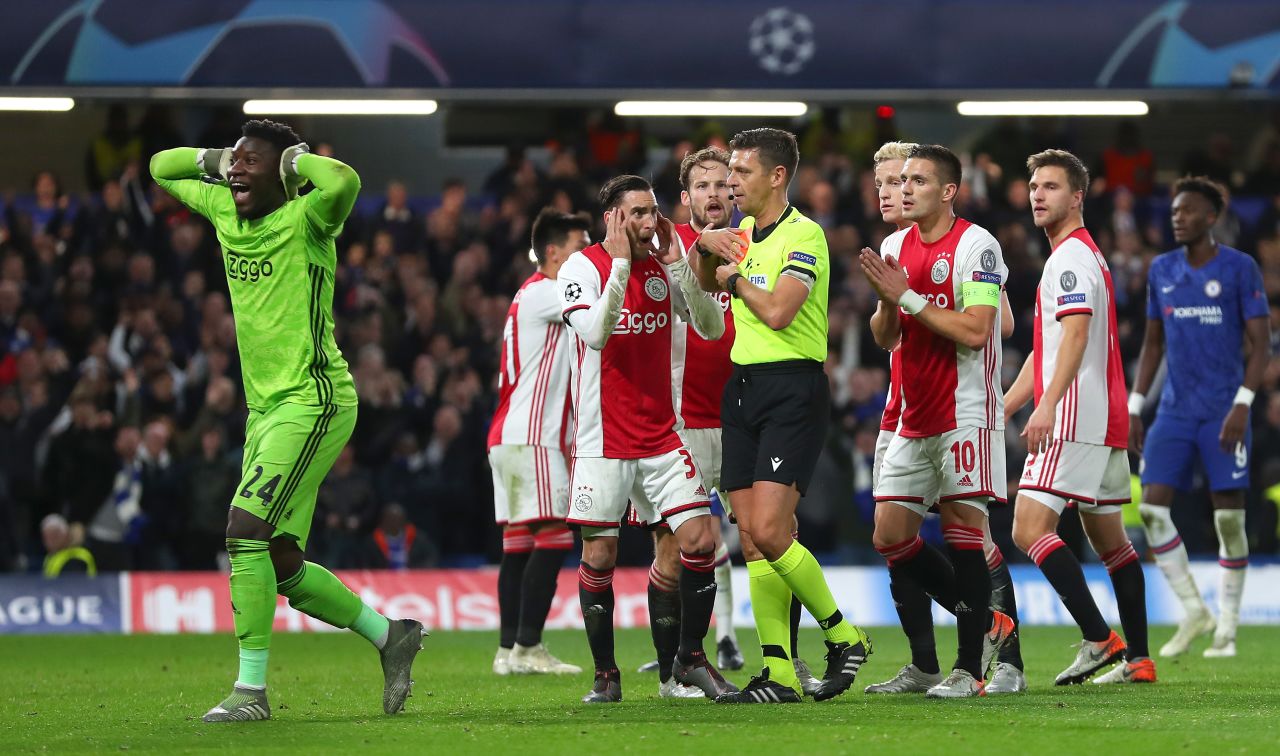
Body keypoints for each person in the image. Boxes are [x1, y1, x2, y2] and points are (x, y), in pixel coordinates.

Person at [151, 119, 425, 723]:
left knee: (243, 530)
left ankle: (250, 694)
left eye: (255, 162)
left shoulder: (308, 219)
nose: (240, 170)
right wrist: (221, 158)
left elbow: (344, 180)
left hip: (314, 398)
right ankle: (392, 637)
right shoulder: (225, 206)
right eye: (237, 161)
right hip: (266, 409)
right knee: (278, 560)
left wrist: (294, 163)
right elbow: (159, 166)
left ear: (282, 174)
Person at [698, 128, 870, 704]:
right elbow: (706, 284)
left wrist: (735, 276)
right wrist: (706, 249)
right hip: (742, 387)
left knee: (773, 529)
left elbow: (777, 311)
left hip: (792, 388)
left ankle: (844, 635)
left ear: (777, 176)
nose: (730, 184)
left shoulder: (806, 236)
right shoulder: (740, 232)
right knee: (751, 538)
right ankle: (779, 672)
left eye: (741, 173)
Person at [559, 174, 733, 703]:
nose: (647, 222)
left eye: (652, 211)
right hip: (601, 442)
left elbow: (708, 327)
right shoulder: (580, 268)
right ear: (611, 218)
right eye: (635, 213)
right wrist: (617, 267)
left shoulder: (662, 266)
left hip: (662, 436)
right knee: (602, 556)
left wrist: (680, 263)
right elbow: (595, 334)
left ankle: (689, 659)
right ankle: (605, 676)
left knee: (700, 541)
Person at [860, 142, 1026, 696]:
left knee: (963, 535)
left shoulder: (977, 246)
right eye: (901, 179)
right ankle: (981, 621)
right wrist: (887, 302)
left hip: (965, 412)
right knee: (890, 535)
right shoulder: (892, 244)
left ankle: (968, 670)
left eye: (918, 181)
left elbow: (980, 329)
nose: (903, 189)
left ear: (949, 191)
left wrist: (904, 295)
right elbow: (885, 338)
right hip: (911, 413)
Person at [1005, 149, 1154, 686]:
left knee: (1029, 528)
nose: (1038, 195)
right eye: (1034, 186)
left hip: (1073, 414)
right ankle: (1139, 659)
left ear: (1078, 197)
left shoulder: (1068, 258)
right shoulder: (1086, 256)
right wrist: (1006, 406)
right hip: (1103, 415)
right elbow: (1047, 352)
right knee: (1111, 539)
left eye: (1051, 186)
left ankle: (1098, 638)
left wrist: (1046, 406)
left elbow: (1075, 336)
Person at [1131, 176, 1270, 659]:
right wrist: (1135, 405)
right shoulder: (1162, 269)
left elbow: (1261, 345)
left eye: (1187, 211)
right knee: (1151, 508)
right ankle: (1195, 611)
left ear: (1211, 217)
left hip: (1223, 410)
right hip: (1173, 408)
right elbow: (1152, 344)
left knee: (1229, 520)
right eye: (1173, 211)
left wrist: (1243, 403)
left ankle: (1228, 626)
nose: (1177, 217)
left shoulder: (1239, 268)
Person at [633, 147, 747, 699]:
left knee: (771, 538)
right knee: (674, 551)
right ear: (686, 198)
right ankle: (670, 673)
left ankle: (782, 661)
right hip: (679, 424)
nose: (715, 193)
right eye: (702, 185)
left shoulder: (760, 242)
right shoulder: (667, 244)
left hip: (746, 417)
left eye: (724, 184)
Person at [488, 208, 590, 677]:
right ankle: (528, 646)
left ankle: (508, 650)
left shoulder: (528, 295)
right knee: (553, 537)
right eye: (579, 248)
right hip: (535, 437)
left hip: (509, 436)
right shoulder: (548, 293)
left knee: (518, 544)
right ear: (553, 254)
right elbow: (601, 310)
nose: (587, 256)